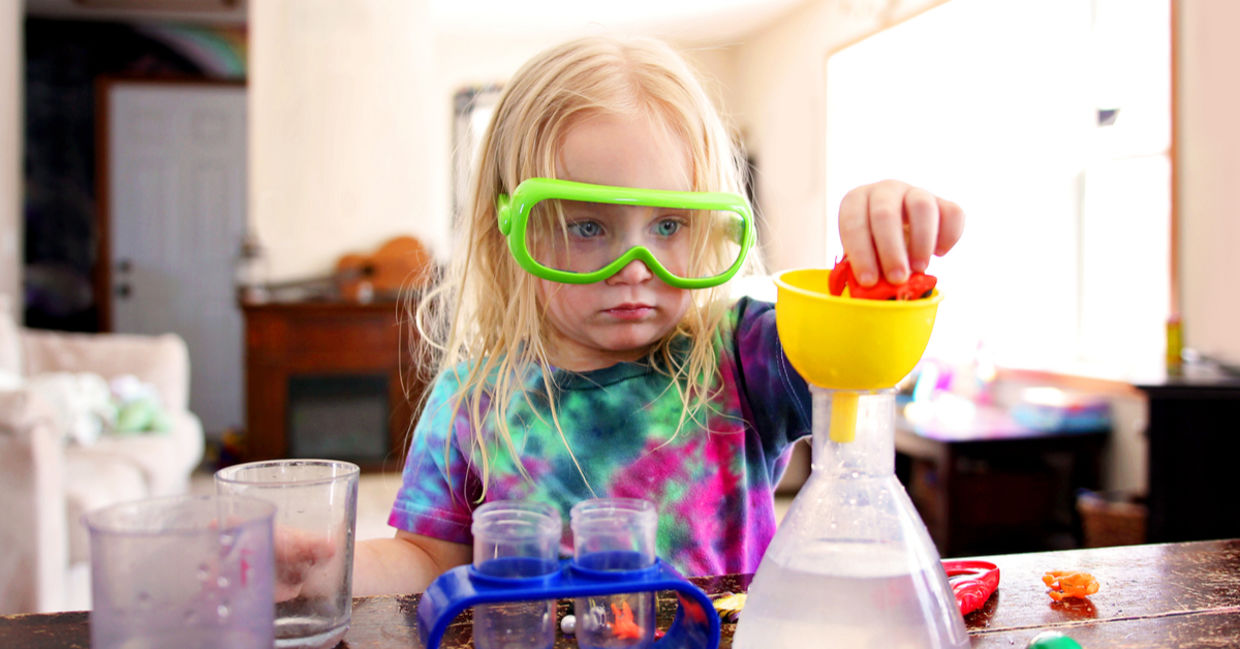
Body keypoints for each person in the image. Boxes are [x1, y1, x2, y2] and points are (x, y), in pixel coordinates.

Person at [344, 34, 964, 598]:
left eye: (668, 225)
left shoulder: (739, 355)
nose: (635, 267)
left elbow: (863, 366)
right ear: (511, 229)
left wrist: (879, 271)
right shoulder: (468, 402)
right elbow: (426, 561)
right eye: (588, 226)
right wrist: (328, 566)